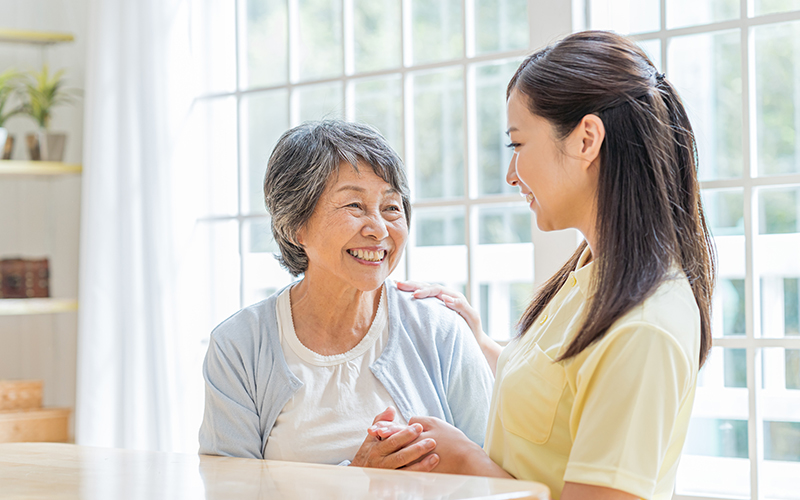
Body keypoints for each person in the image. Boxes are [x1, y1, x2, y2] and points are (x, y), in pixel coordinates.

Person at [377, 30, 716, 500]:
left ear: (586, 139)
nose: (512, 174)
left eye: (517, 145)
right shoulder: (591, 273)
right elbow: (559, 397)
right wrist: (479, 341)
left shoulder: (643, 326)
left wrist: (462, 460)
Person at [198, 120, 494, 470]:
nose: (379, 229)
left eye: (391, 207)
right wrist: (356, 481)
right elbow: (230, 491)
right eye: (354, 206)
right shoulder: (239, 346)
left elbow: (495, 475)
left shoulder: (440, 329)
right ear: (296, 227)